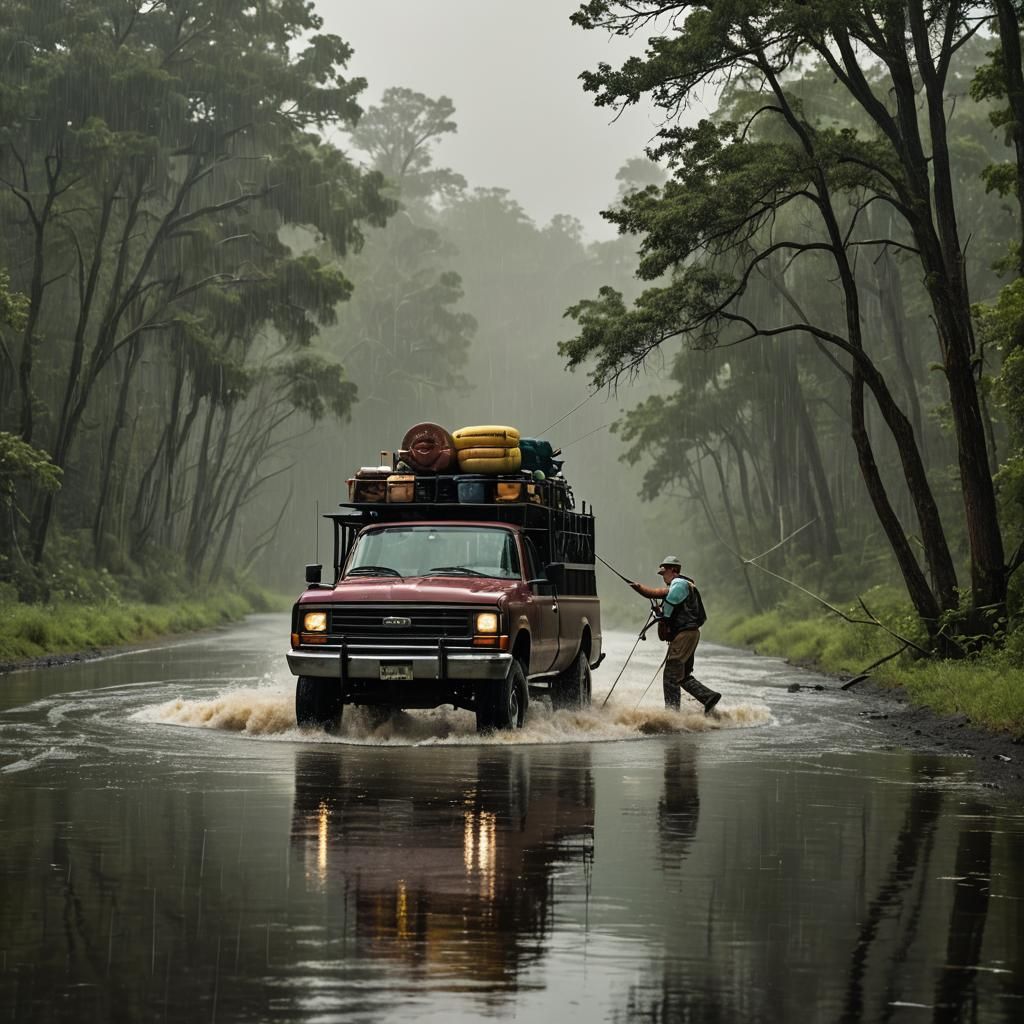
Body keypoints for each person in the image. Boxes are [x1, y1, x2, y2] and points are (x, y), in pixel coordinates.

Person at [631, 555, 721, 714]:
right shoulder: (682, 585)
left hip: (685, 634)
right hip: (690, 634)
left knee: (671, 674)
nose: (663, 576)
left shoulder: (679, 584)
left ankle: (672, 715)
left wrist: (661, 613)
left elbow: (668, 609)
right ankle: (708, 697)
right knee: (682, 675)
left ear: (673, 570)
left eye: (664, 572)